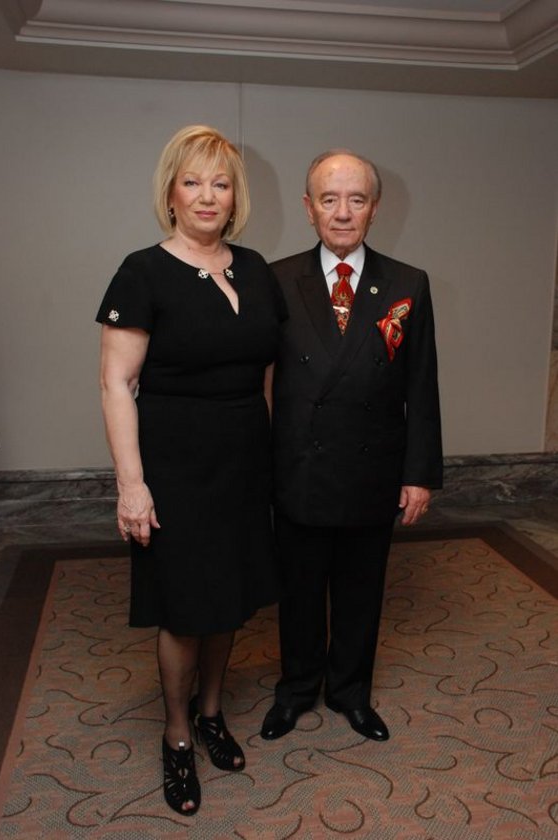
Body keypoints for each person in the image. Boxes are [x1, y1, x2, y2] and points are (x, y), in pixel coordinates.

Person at [97, 125, 286, 815]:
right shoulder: (142, 271)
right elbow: (117, 383)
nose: (208, 195)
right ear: (171, 193)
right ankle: (176, 735)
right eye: (193, 181)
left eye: (221, 183)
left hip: (243, 463)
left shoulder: (256, 268)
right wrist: (132, 485)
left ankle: (211, 714)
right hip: (175, 467)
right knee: (183, 607)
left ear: (235, 197)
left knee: (228, 597)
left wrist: (271, 455)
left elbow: (266, 373)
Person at [261, 149, 442, 743]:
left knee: (362, 590)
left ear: (374, 208)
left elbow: (421, 385)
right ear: (308, 207)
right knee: (299, 592)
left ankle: (350, 693)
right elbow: (251, 376)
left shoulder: (408, 283)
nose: (343, 212)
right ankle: (296, 690)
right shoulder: (276, 279)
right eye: (330, 199)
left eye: (356, 199)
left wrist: (419, 474)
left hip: (373, 468)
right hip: (299, 467)